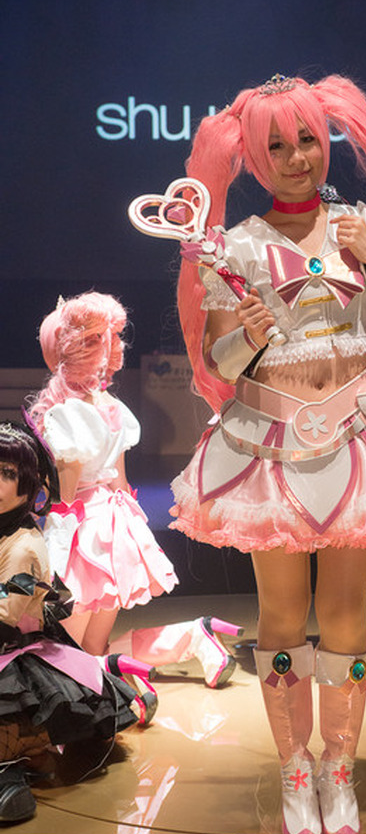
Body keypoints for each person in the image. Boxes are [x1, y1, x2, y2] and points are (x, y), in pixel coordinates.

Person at [169, 72, 366, 834]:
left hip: (356, 438)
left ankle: (337, 770)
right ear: (253, 158)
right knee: (283, 615)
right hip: (269, 445)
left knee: (349, 617)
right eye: (277, 146)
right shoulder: (235, 246)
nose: (297, 158)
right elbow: (220, 361)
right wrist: (249, 334)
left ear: (329, 142)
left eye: (309, 141)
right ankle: (296, 772)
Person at [29, 291, 242, 699]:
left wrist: (42, 537)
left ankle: (128, 693)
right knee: (92, 648)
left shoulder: (66, 414)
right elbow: (120, 485)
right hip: (114, 526)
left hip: (81, 535)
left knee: (63, 654)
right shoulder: (112, 406)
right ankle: (190, 638)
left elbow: (66, 496)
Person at [0, 420, 139, 823]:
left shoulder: (23, 546)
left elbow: (5, 615)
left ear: (30, 484)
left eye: (7, 472)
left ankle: (12, 773)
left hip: (13, 657)